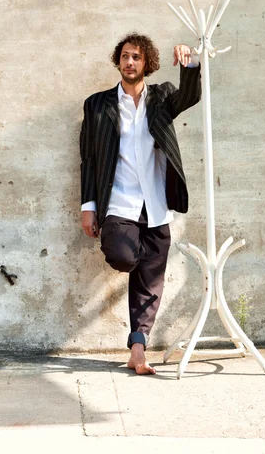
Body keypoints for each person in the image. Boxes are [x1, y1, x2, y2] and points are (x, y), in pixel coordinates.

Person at [80, 33, 201, 374]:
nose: (130, 62)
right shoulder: (98, 104)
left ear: (146, 63)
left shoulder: (161, 98)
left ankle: (138, 349)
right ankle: (141, 276)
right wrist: (88, 205)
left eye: (136, 57)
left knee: (151, 283)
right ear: (118, 61)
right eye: (125, 57)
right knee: (123, 256)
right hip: (118, 201)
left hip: (156, 202)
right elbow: (88, 158)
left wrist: (190, 62)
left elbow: (190, 95)